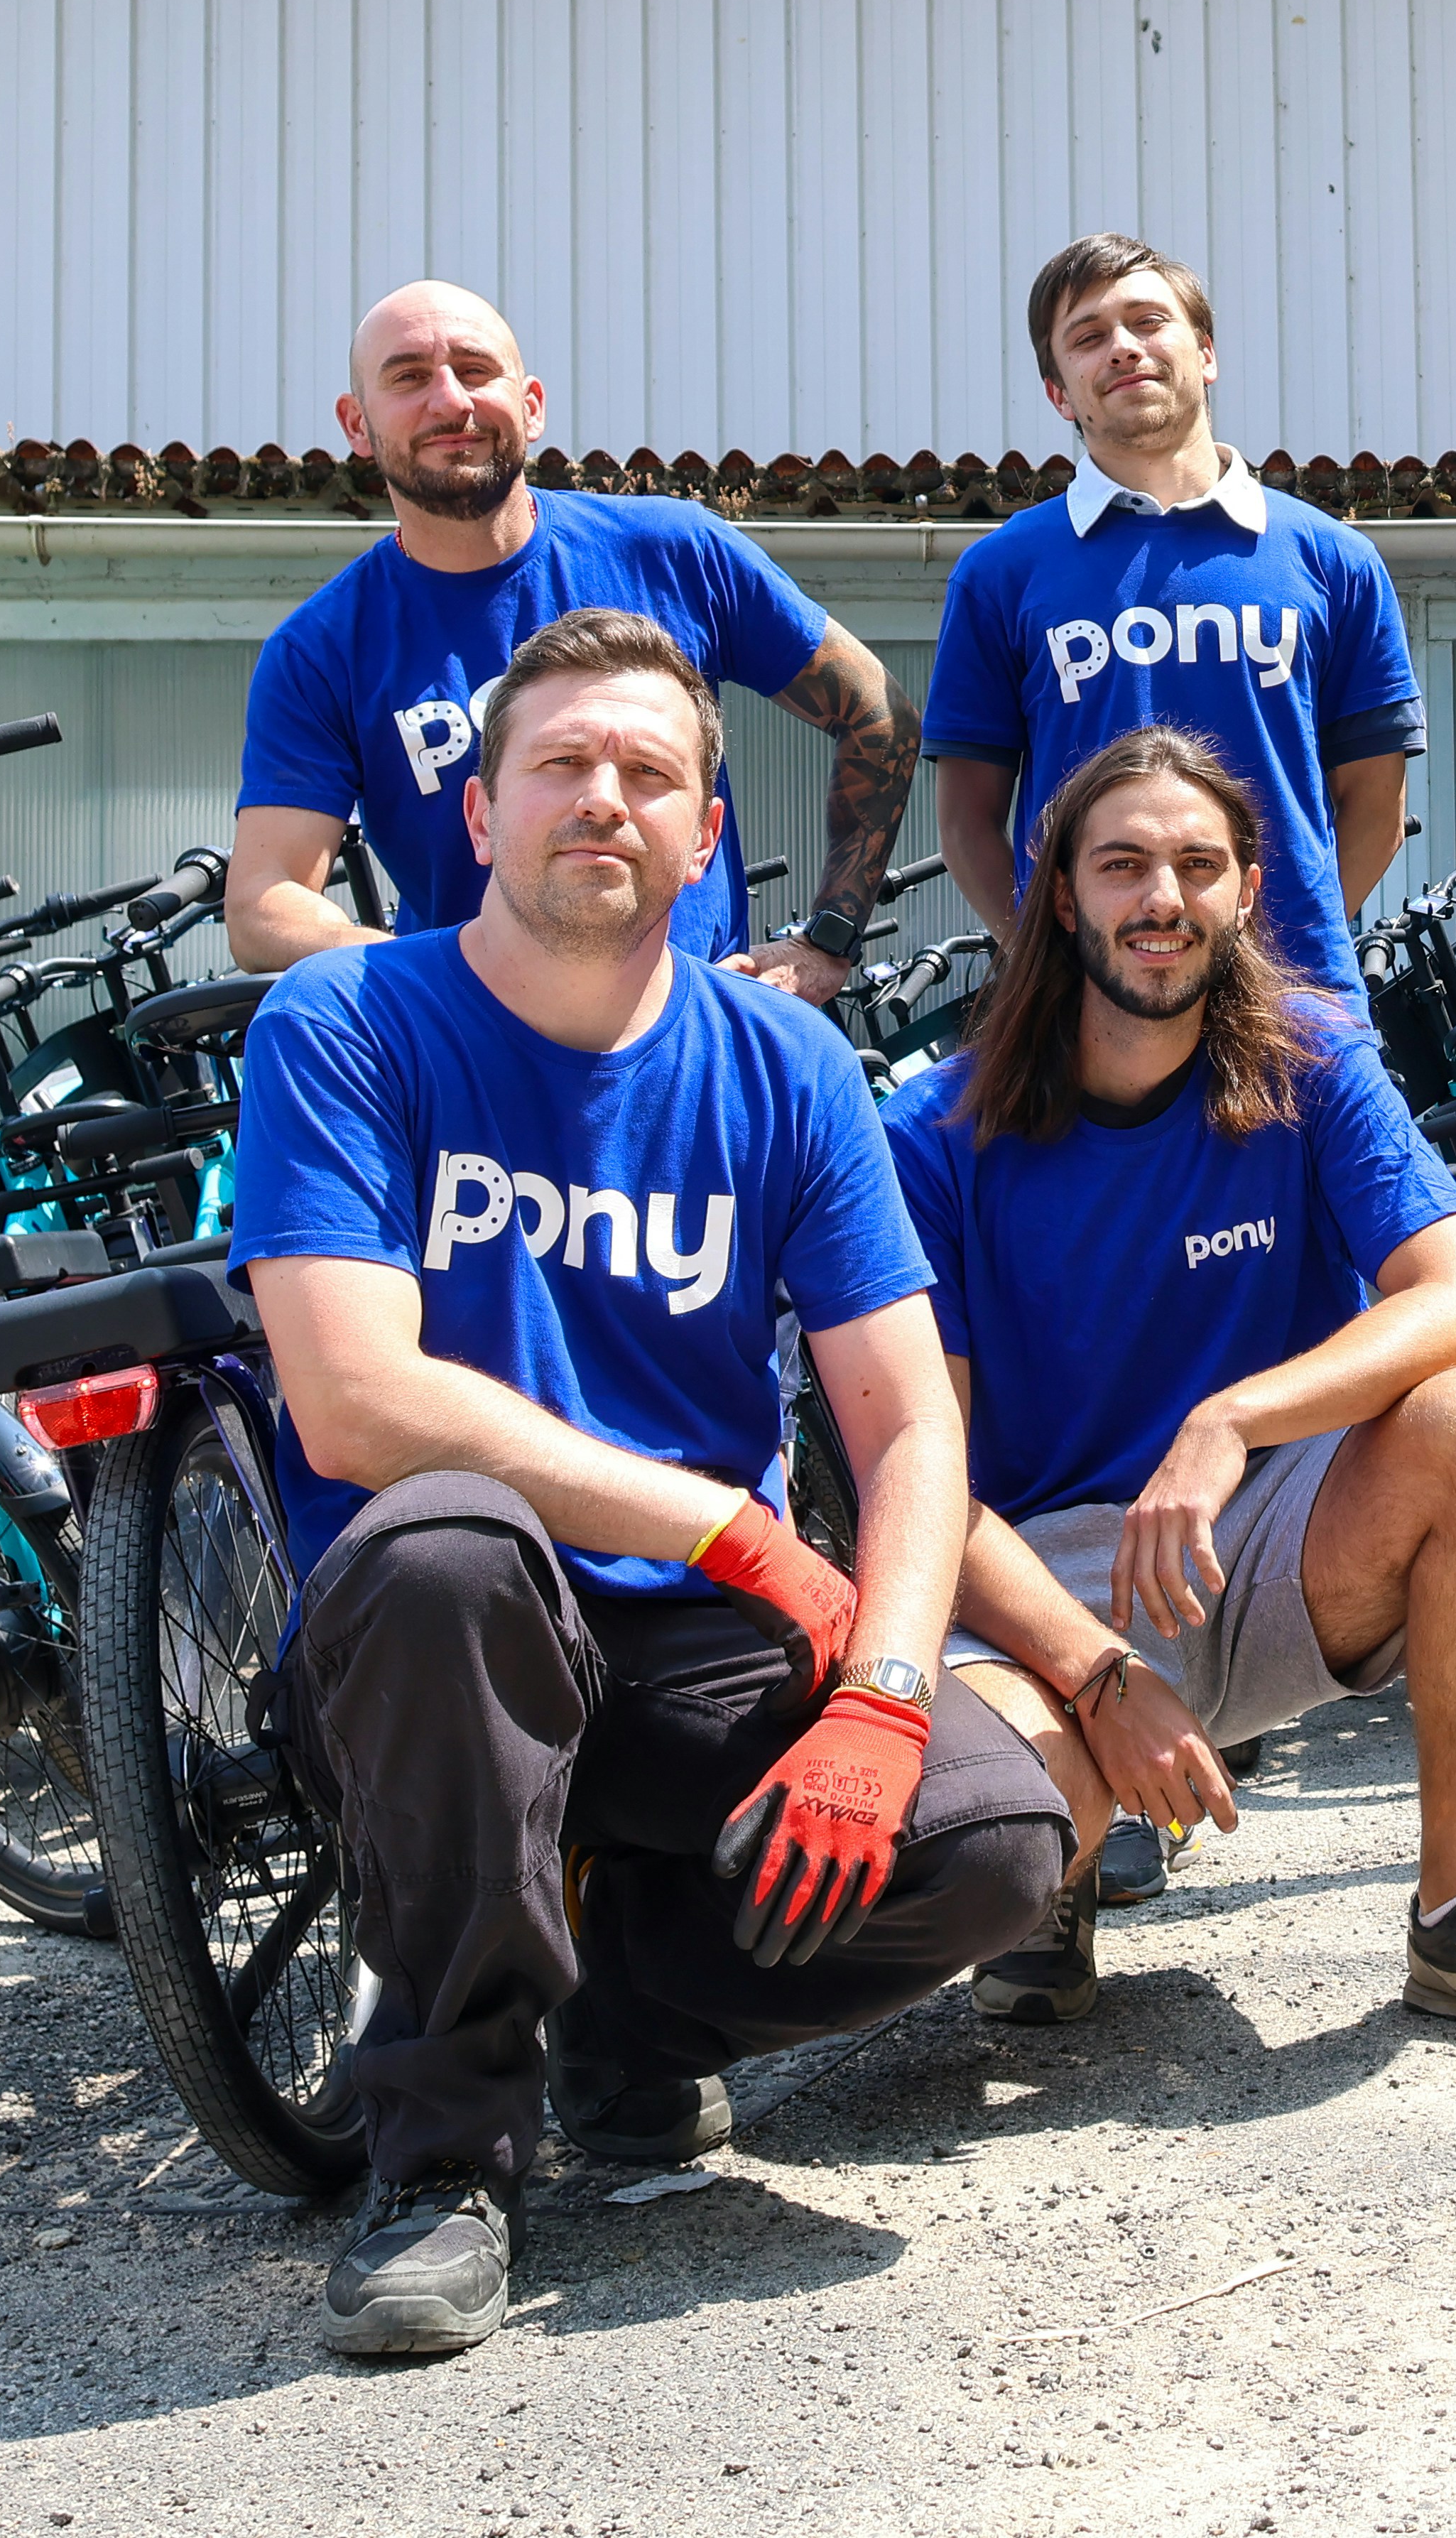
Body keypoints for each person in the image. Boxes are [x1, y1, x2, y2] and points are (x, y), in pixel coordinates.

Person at [234, 607, 1063, 2359]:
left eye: (649, 773)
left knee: (996, 1846)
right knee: (450, 1545)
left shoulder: (788, 1066)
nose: (600, 798)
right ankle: (445, 2147)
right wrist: (726, 1521)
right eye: (560, 763)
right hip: (430, 1657)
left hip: (695, 1642)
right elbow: (354, 1400)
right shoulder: (346, 1019)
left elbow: (909, 1422)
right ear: (475, 812)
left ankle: (622, 2012)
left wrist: (892, 1697)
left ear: (703, 836)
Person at [884, 728, 1456, 2054]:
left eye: (1199, 865)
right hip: (1034, 1587)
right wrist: (1093, 1677)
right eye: (1124, 864)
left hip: (1252, 1547)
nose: (1163, 899)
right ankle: (1057, 1879)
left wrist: (1233, 1420)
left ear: (1248, 891)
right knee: (1001, 1845)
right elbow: (928, 1482)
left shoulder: (1309, 1061)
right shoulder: (934, 1135)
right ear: (1058, 890)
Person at [232, 278, 923, 1000]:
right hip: (475, 1069)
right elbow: (263, 903)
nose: (450, 401)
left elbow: (880, 714)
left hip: (693, 1045)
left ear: (530, 406)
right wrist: (435, 983)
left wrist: (829, 938)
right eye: (408, 377)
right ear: (355, 421)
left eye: (475, 370)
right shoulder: (321, 649)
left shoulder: (676, 553)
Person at [926, 236, 1423, 999]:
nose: (1124, 348)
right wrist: (1053, 966)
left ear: (1206, 352)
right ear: (1062, 392)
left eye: (1149, 321)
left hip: (1298, 1011)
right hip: (1084, 1023)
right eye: (1089, 337)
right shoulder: (1000, 574)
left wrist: (1272, 961)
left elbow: (1377, 806)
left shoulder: (1334, 560)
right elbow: (967, 820)